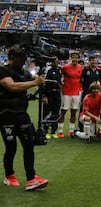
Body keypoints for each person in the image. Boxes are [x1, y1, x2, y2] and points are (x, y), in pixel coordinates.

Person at [0, 44, 48, 190]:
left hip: (22, 115)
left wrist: (41, 78)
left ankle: (31, 178)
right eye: (21, 59)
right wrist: (34, 82)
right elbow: (12, 86)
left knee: (29, 145)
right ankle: (10, 175)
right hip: (5, 116)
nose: (23, 62)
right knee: (11, 147)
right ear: (12, 58)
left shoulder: (23, 71)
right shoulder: (3, 71)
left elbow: (34, 78)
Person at [58, 52, 82, 138]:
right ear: (71, 58)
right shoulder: (65, 67)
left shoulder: (80, 67)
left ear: (79, 59)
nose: (75, 59)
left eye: (76, 58)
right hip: (66, 92)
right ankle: (60, 130)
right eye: (73, 57)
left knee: (73, 112)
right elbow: (60, 76)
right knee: (63, 111)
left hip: (76, 92)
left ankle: (71, 130)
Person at [42, 57, 62, 139]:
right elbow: (43, 83)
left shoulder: (59, 70)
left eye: (58, 60)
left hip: (57, 94)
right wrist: (44, 95)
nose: (58, 61)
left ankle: (53, 131)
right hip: (49, 94)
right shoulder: (48, 70)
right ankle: (45, 131)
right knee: (46, 113)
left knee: (55, 113)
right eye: (56, 60)